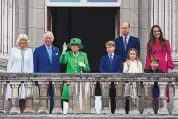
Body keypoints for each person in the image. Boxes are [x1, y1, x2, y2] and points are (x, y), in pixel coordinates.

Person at [60, 38, 90, 114]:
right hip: (69, 81)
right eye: (72, 45)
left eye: (76, 45)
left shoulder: (83, 55)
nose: (74, 47)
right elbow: (62, 61)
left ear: (79, 47)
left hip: (80, 82)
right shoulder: (68, 54)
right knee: (69, 101)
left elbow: (88, 69)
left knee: (79, 101)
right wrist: (63, 52)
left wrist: (83, 66)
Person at [33, 31, 60, 114]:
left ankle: (51, 112)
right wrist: (35, 78)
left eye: (50, 38)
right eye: (46, 38)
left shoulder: (57, 50)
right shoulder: (38, 50)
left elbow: (58, 65)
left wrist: (58, 77)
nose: (48, 40)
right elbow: (35, 65)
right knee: (43, 96)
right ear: (44, 39)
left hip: (54, 77)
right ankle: (43, 112)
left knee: (53, 96)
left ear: (52, 39)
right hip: (42, 77)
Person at [6, 33, 33, 113]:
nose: (23, 42)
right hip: (14, 77)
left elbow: (31, 65)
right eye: (22, 40)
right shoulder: (13, 50)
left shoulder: (29, 51)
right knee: (13, 96)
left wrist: (30, 77)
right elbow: (9, 64)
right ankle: (11, 112)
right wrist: (10, 76)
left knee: (23, 97)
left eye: (25, 40)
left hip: (26, 77)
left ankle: (22, 113)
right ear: (19, 41)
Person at [99, 41, 122, 114]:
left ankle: (115, 110)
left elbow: (120, 69)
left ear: (114, 48)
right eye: (107, 48)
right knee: (106, 96)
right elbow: (101, 68)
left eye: (110, 47)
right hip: (106, 80)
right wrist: (106, 75)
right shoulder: (103, 57)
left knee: (115, 96)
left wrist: (114, 75)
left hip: (116, 80)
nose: (108, 49)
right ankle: (106, 110)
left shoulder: (118, 57)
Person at [123, 48, 142, 114]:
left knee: (136, 96)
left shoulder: (139, 63)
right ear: (129, 55)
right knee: (128, 97)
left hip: (136, 82)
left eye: (134, 54)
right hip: (129, 82)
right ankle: (128, 110)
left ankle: (136, 109)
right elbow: (124, 73)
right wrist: (128, 66)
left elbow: (140, 73)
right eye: (131, 54)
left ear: (136, 55)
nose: (132, 55)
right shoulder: (126, 63)